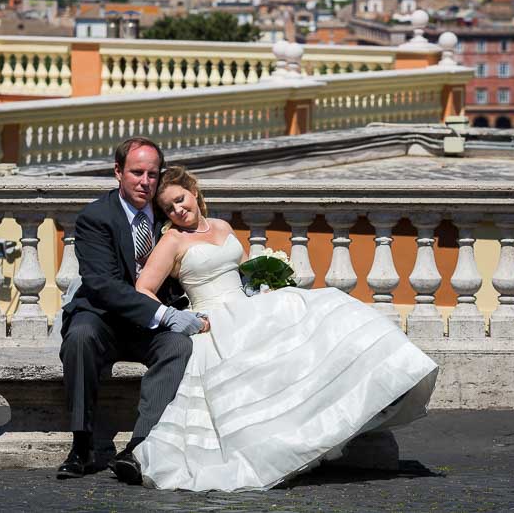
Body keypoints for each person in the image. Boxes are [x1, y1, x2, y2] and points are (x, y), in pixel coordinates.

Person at [131, 166, 439, 492]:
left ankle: (384, 378)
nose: (178, 210)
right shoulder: (172, 240)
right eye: (169, 208)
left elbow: (243, 271)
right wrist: (174, 317)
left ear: (193, 191)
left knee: (324, 307)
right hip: (214, 321)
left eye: (180, 200)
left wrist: (263, 284)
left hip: (248, 306)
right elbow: (142, 289)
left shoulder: (221, 225)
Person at [56, 138, 211, 483]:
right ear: (118, 172)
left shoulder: (167, 212)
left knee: (179, 347)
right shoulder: (96, 217)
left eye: (152, 174)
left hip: (148, 327)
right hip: (102, 317)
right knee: (80, 337)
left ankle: (139, 447)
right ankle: (82, 445)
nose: (145, 182)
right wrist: (166, 316)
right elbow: (103, 286)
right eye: (137, 172)